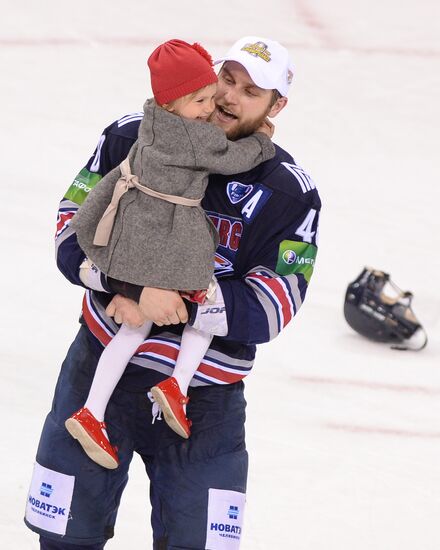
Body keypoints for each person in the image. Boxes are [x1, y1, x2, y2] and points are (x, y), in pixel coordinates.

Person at [25, 36, 321, 550]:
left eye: (251, 92)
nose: (230, 97)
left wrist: (179, 301)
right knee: (63, 539)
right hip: (98, 373)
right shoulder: (130, 137)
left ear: (278, 106)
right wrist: (128, 286)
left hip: (203, 404)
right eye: (226, 79)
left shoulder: (289, 190)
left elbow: (275, 304)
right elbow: (70, 228)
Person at [64, 39, 275, 470]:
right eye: (203, 98)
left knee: (132, 329)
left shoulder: (150, 123)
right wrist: (263, 143)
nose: (211, 105)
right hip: (170, 236)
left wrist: (128, 289)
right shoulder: (196, 139)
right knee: (199, 298)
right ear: (175, 102)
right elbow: (232, 157)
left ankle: (92, 411)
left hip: (132, 237)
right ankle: (177, 385)